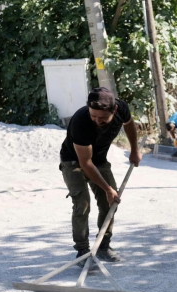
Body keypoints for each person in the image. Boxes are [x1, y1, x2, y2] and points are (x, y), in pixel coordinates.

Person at [59, 87, 141, 263]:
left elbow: (129, 124)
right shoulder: (80, 121)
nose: (97, 120)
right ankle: (82, 252)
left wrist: (134, 150)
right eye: (93, 116)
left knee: (110, 203)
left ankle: (103, 246)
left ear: (114, 110)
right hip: (74, 161)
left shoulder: (122, 109)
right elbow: (85, 163)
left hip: (98, 160)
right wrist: (108, 188)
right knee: (82, 202)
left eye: (103, 118)